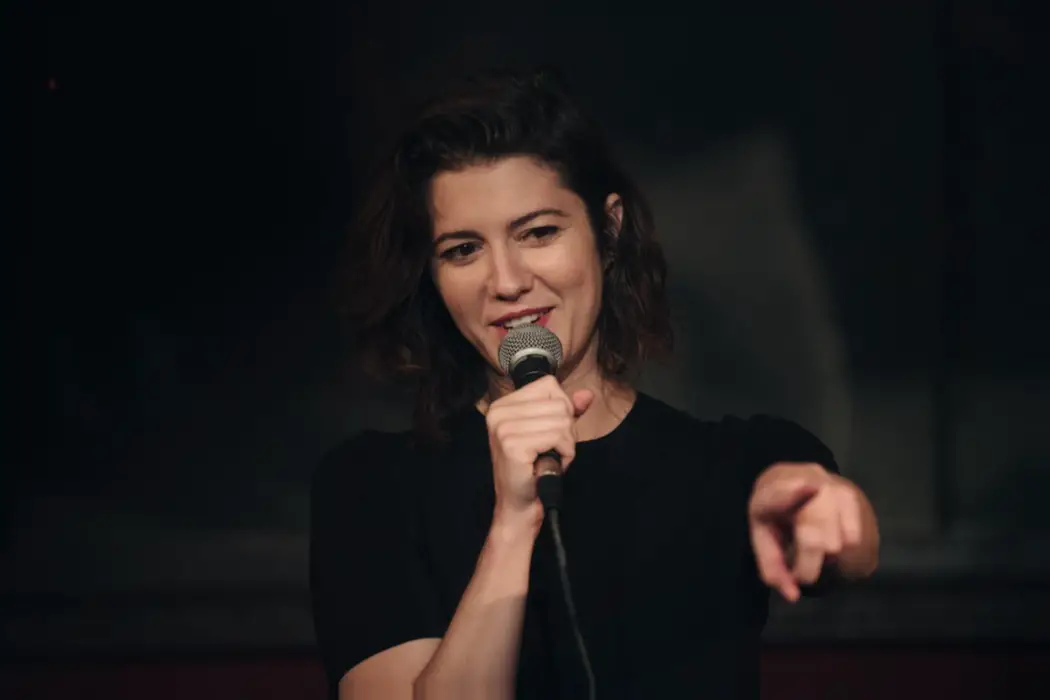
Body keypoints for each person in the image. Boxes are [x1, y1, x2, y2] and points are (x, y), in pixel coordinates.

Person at [310, 66, 880, 700]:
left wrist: (820, 506)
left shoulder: (732, 463)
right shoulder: (372, 486)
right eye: (463, 250)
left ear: (608, 232)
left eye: (538, 233)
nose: (506, 281)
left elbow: (847, 544)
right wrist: (513, 523)